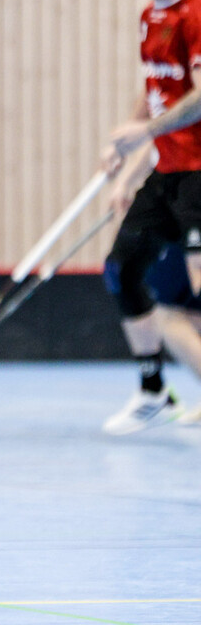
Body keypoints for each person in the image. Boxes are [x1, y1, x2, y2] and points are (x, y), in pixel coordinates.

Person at [100, 0, 201, 435]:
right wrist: (126, 159)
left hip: (200, 175)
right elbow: (157, 93)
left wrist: (144, 133)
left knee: (194, 297)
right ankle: (153, 390)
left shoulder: (196, 12)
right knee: (121, 269)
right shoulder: (150, 16)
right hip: (167, 173)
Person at [103, 141, 201, 432]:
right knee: (122, 271)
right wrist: (126, 180)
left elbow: (175, 120)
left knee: (174, 315)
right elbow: (162, 127)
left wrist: (136, 133)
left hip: (194, 180)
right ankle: (153, 389)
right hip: (167, 180)